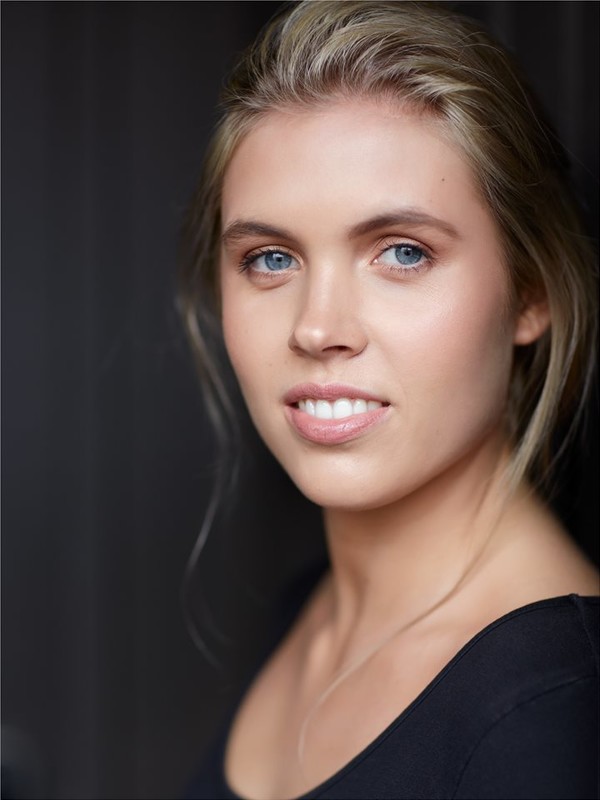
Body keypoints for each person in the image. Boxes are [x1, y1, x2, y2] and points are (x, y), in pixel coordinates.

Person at [180, 2, 599, 798]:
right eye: (271, 258)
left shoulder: (551, 720)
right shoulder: (311, 610)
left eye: (402, 253)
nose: (318, 328)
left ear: (531, 290)